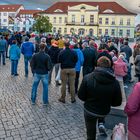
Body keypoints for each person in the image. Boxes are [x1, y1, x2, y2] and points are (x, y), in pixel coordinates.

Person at [78, 56, 122, 140]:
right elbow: (117, 102)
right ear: (109, 66)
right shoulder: (115, 82)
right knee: (100, 116)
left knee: (90, 133)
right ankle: (101, 123)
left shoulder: (87, 77)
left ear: (97, 65)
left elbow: (81, 96)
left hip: (89, 110)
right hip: (104, 110)